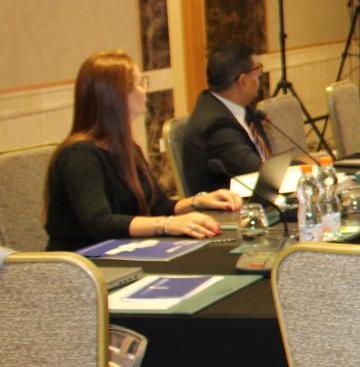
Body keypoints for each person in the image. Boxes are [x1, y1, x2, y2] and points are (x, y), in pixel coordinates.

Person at [45, 50, 240, 251]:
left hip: (121, 252)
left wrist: (199, 201)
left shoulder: (127, 148)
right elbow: (100, 222)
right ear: (118, 96)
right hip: (82, 262)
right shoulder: (78, 155)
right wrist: (167, 224)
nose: (145, 90)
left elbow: (158, 206)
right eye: (140, 83)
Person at [179, 41, 268, 195]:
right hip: (230, 206)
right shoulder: (215, 125)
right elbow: (257, 173)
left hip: (257, 196)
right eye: (257, 69)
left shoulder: (242, 108)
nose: (260, 74)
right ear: (243, 81)